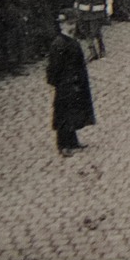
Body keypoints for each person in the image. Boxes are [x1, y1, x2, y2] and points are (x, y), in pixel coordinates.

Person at [45, 12, 95, 156]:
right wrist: (59, 83)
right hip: (65, 83)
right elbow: (54, 67)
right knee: (63, 113)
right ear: (61, 25)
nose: (72, 27)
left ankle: (72, 141)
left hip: (75, 80)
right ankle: (62, 145)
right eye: (69, 24)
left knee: (73, 111)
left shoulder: (70, 40)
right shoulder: (59, 43)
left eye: (73, 24)